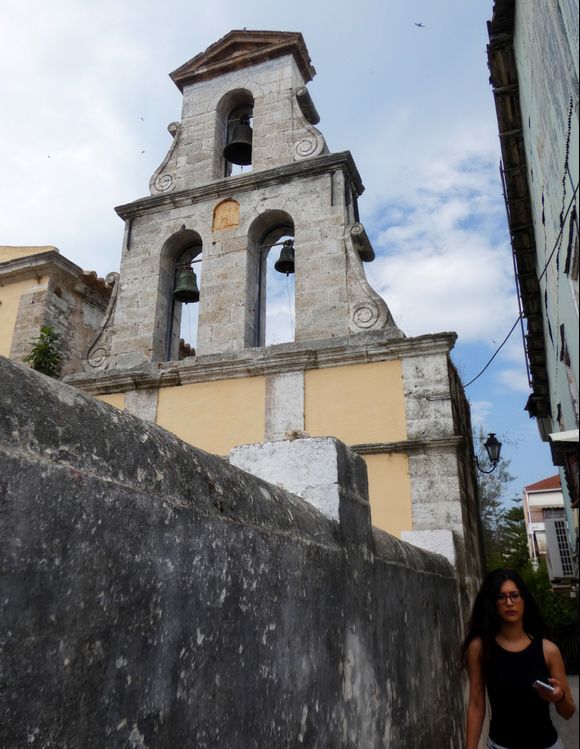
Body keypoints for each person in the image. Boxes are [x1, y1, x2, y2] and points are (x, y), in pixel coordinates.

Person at [463, 568, 576, 749]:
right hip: (500, 745)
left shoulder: (548, 650)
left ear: (524, 600)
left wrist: (559, 697)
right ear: (493, 603)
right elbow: (476, 704)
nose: (509, 602)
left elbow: (568, 712)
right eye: (501, 597)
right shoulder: (480, 648)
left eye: (514, 595)